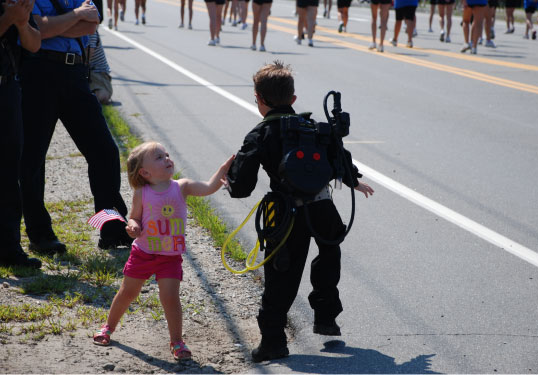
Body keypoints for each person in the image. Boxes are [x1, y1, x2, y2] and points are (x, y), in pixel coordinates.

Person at [226, 61, 374, 362]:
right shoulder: (312, 127)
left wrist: (228, 182)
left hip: (284, 213)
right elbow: (338, 156)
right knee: (329, 255)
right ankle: (325, 315)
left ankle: (273, 342)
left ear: (259, 98)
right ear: (293, 99)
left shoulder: (260, 133)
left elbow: (241, 185)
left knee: (281, 275)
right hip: (323, 209)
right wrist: (353, 180)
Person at [93, 142, 234, 361]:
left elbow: (208, 187)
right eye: (159, 157)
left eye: (166, 155)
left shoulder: (182, 186)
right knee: (128, 292)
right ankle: (108, 327)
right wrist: (133, 226)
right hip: (142, 253)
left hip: (169, 257)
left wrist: (223, 170)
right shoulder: (142, 192)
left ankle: (176, 341)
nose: (167, 158)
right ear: (145, 172)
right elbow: (134, 217)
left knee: (170, 298)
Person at [20, 0, 132, 255]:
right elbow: (35, 27)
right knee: (32, 161)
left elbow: (91, 26)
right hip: (37, 70)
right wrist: (77, 16)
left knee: (104, 152)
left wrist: (57, 25)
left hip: (76, 73)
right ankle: (41, 235)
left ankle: (111, 230)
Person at [0, 0, 42, 269]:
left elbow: (34, 43)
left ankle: (9, 249)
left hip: (7, 90)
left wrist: (22, 22)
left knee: (8, 171)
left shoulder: (15, 3)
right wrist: (9, 17)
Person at [89, 28, 113, 104]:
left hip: (97, 73)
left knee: (102, 95)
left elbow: (86, 58)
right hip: (85, 72)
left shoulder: (89, 30)